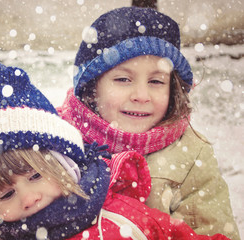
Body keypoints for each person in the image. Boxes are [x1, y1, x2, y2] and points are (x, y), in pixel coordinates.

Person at [0, 63, 230, 240]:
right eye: (6, 195)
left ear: (63, 164)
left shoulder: (115, 210)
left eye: (35, 176)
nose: (28, 197)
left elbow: (176, 232)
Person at [57, 6, 239, 239]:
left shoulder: (191, 156)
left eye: (156, 81)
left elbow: (214, 231)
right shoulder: (59, 140)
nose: (141, 95)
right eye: (123, 79)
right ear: (92, 89)